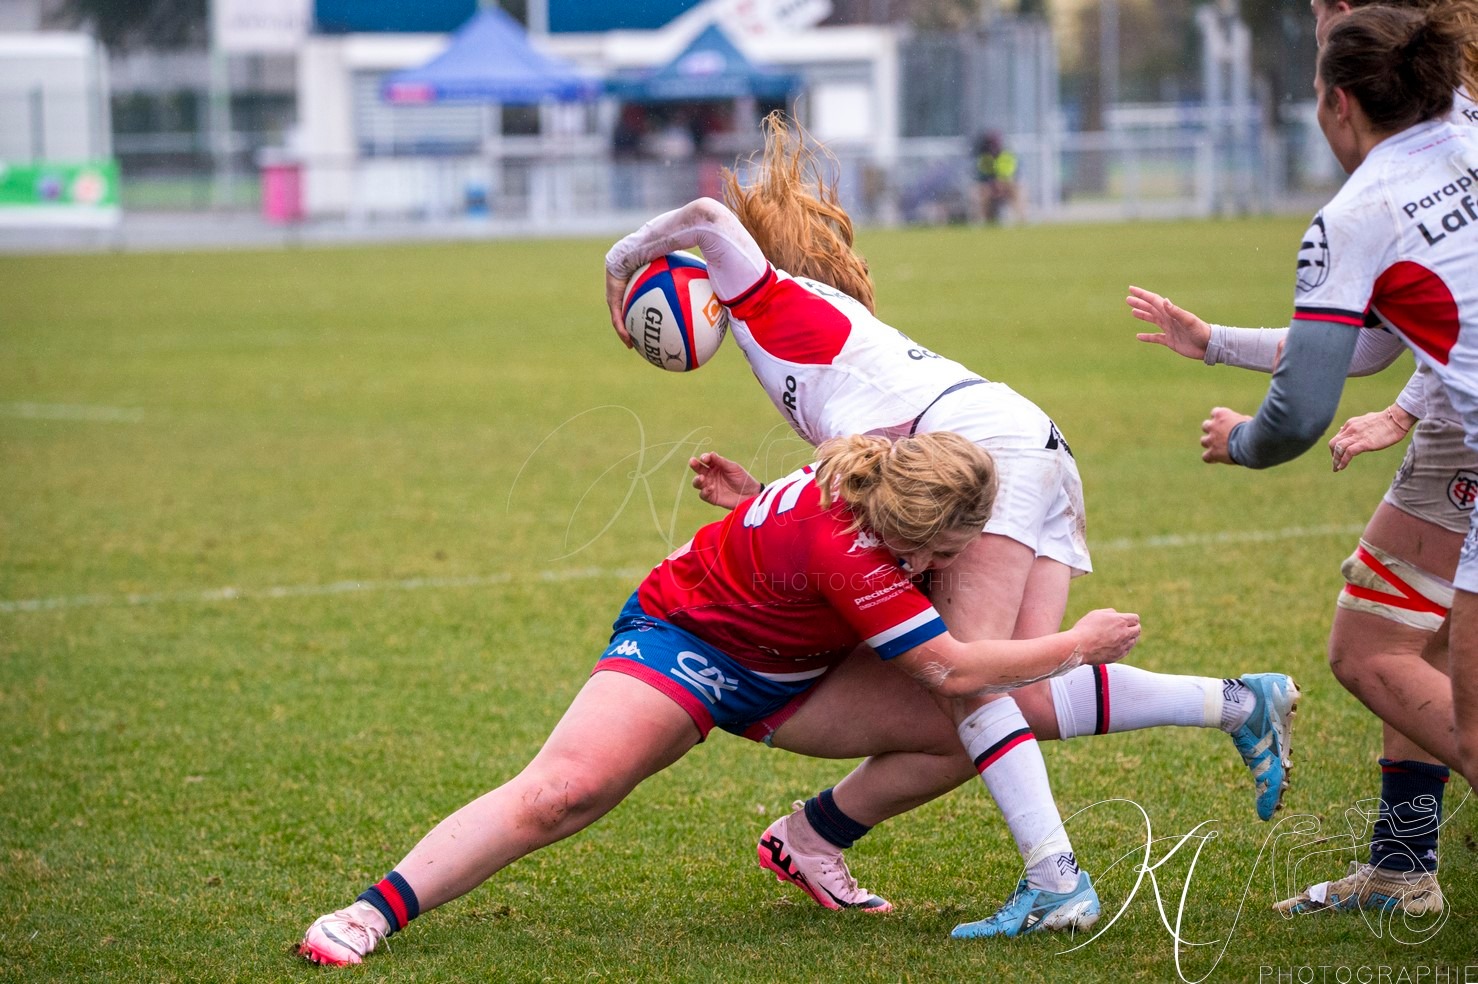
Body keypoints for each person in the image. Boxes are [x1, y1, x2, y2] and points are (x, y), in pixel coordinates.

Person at [604, 112, 1299, 939]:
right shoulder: (814, 346)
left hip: (981, 448)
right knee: (1023, 693)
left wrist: (620, 269)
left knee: (965, 682)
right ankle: (1237, 705)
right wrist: (759, 496)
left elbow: (711, 217)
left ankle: (1056, 884)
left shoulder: (771, 303)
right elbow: (853, 498)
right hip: (1025, 438)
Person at [297, 433, 1143, 966]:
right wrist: (1079, 644)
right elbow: (954, 666)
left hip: (790, 676)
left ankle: (811, 842)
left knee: (975, 736)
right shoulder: (856, 554)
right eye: (961, 548)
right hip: (687, 645)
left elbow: (804, 539)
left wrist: (749, 501)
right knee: (565, 792)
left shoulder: (873, 471)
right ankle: (371, 912)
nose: (969, 558)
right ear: (918, 533)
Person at [1129, 0, 1478, 922]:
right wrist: (1215, 344)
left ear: (1336, 104)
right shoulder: (1467, 116)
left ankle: (1405, 862)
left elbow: (1303, 411)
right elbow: (1380, 337)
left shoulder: (1356, 211)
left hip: (1461, 430)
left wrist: (1241, 441)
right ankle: (1403, 863)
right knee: (1414, 643)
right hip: (1454, 424)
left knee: (1386, 663)